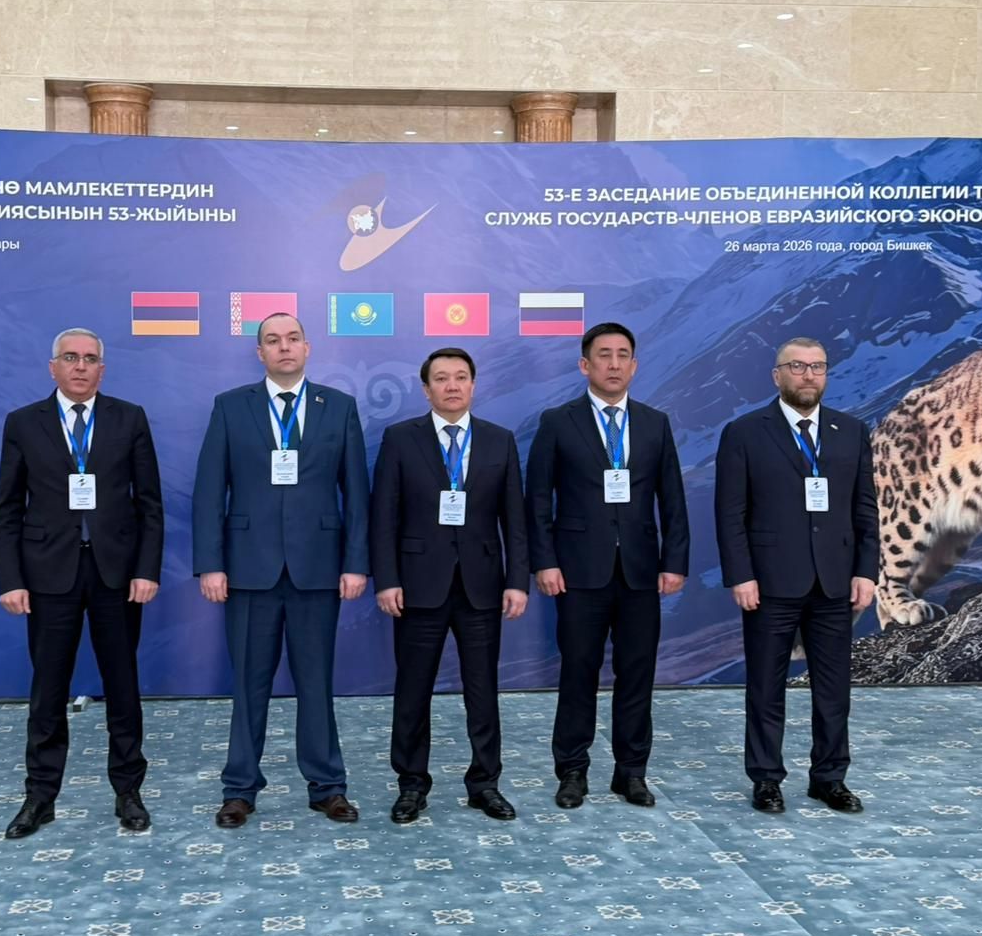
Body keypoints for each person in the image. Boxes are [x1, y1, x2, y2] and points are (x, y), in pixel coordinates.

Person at [193, 312, 370, 828]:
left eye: (293, 338)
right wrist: (210, 564)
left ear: (307, 348)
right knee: (249, 686)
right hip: (248, 570)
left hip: (318, 568)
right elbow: (210, 491)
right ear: (260, 353)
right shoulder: (230, 406)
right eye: (273, 340)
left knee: (316, 683)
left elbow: (357, 493)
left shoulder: (339, 406)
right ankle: (239, 789)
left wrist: (356, 563)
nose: (284, 347)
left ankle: (328, 787)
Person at [0, 327, 163, 838]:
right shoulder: (23, 423)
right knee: (48, 689)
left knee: (123, 686)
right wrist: (11, 579)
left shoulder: (129, 418)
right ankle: (40, 797)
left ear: (102, 370)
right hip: (48, 575)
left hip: (116, 574)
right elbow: (7, 510)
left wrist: (146, 569)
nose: (81, 366)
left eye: (90, 359)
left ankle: (128, 791)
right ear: (53, 367)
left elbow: (150, 504)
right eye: (71, 357)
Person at [526, 322, 689, 810]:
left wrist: (674, 561)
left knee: (637, 675)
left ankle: (631, 772)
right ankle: (572, 771)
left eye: (622, 355)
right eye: (604, 355)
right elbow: (538, 500)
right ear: (585, 365)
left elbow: (673, 499)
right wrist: (544, 561)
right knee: (578, 673)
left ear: (634, 366)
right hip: (578, 573)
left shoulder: (655, 423)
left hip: (640, 571)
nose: (613, 364)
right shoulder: (558, 421)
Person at [714, 337, 879, 814]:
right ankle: (766, 778)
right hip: (768, 584)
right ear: (777, 375)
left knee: (834, 690)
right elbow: (730, 513)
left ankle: (829, 778)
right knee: (766, 687)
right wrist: (741, 575)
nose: (808, 375)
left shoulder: (851, 430)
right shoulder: (745, 432)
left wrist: (866, 571)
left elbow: (865, 509)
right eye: (797, 366)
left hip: (835, 582)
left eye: (817, 366)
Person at [370, 348, 529, 824]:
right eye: (441, 378)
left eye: (461, 377)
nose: (452, 385)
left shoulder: (500, 440)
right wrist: (387, 579)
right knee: (412, 690)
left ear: (474, 385)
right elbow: (383, 517)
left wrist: (517, 581)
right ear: (426, 390)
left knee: (483, 690)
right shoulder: (401, 439)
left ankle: (485, 784)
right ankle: (411, 785)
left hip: (482, 586)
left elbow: (515, 520)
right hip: (418, 586)